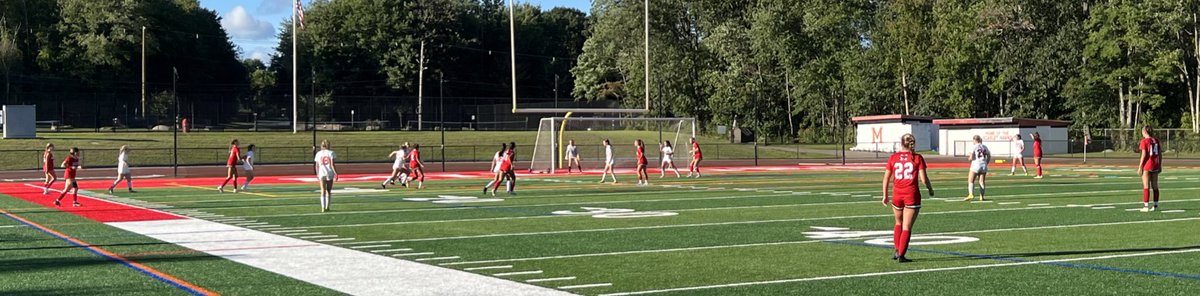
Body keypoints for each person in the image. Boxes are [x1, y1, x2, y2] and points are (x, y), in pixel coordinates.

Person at [882, 134, 933, 263]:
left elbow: (886, 178)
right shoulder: (917, 158)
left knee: (898, 223)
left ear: (901, 143)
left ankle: (897, 250)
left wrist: (885, 195)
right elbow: (923, 179)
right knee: (907, 226)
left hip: (897, 194)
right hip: (911, 194)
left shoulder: (893, 157)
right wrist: (930, 189)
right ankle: (901, 255)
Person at [1138, 126, 1163, 212]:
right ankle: (1156, 205)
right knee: (1155, 185)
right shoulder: (1156, 140)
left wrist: (1140, 166)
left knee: (1146, 186)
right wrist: (1160, 165)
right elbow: (1160, 154)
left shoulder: (1144, 141)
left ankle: (1146, 206)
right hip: (1155, 164)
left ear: (1145, 131)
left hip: (1147, 165)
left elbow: (1144, 154)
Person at [965, 135, 991, 201]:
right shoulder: (984, 146)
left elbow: (971, 158)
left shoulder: (974, 146)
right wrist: (986, 162)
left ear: (975, 140)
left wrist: (969, 158)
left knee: (970, 180)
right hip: (983, 165)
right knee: (982, 181)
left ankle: (971, 194)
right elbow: (989, 155)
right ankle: (981, 196)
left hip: (976, 164)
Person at [314, 140, 338, 212]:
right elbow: (332, 164)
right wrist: (336, 173)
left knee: (322, 190)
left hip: (322, 173)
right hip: (329, 172)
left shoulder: (318, 153)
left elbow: (317, 165)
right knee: (328, 190)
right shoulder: (331, 153)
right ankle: (327, 207)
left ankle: (323, 207)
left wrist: (317, 173)